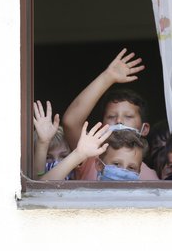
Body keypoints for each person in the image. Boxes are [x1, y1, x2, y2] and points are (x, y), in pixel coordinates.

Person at [62, 49, 159, 180]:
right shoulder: (90, 158)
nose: (119, 120)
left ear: (144, 128)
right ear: (102, 126)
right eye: (111, 117)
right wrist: (108, 77)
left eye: (128, 116)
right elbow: (70, 122)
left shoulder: (151, 177)